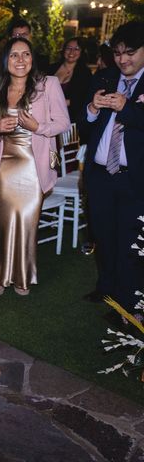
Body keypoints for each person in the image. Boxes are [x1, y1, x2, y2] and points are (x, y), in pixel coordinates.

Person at [0, 38, 70, 296]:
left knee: (28, 222)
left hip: (33, 167)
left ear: (32, 58)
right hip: (3, 166)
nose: (20, 60)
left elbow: (63, 122)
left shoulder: (48, 85)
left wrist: (38, 128)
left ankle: (21, 275)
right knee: (0, 222)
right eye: (14, 55)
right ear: (6, 61)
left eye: (25, 54)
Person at [81, 21, 144, 314]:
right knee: (103, 235)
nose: (123, 59)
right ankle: (105, 287)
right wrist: (92, 109)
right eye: (118, 53)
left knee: (128, 241)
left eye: (130, 52)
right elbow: (84, 125)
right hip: (100, 174)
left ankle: (126, 303)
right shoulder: (105, 77)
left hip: (133, 178)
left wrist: (127, 107)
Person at [48, 37, 92, 123]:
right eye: (69, 48)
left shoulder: (85, 73)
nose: (72, 52)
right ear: (64, 50)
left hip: (70, 120)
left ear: (81, 52)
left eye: (76, 49)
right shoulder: (51, 68)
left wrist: (58, 103)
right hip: (47, 117)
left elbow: (84, 99)